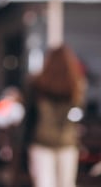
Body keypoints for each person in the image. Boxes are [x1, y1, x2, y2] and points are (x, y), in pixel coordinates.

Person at [23, 44, 87, 187]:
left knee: (44, 183)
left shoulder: (37, 84)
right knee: (66, 183)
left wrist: (23, 143)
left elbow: (29, 118)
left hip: (41, 140)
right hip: (67, 141)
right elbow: (79, 113)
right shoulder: (75, 85)